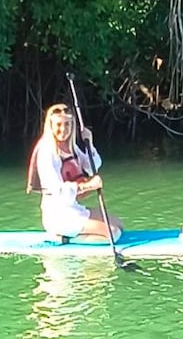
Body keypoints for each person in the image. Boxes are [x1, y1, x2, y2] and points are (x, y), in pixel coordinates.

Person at [26, 103, 123, 241]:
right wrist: (88, 186)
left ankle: (74, 234)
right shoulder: (47, 151)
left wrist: (89, 142)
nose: (63, 129)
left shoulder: (71, 147)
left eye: (67, 124)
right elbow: (57, 189)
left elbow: (93, 166)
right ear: (51, 126)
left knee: (119, 224)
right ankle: (64, 238)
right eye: (58, 125)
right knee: (113, 233)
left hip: (73, 208)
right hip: (58, 215)